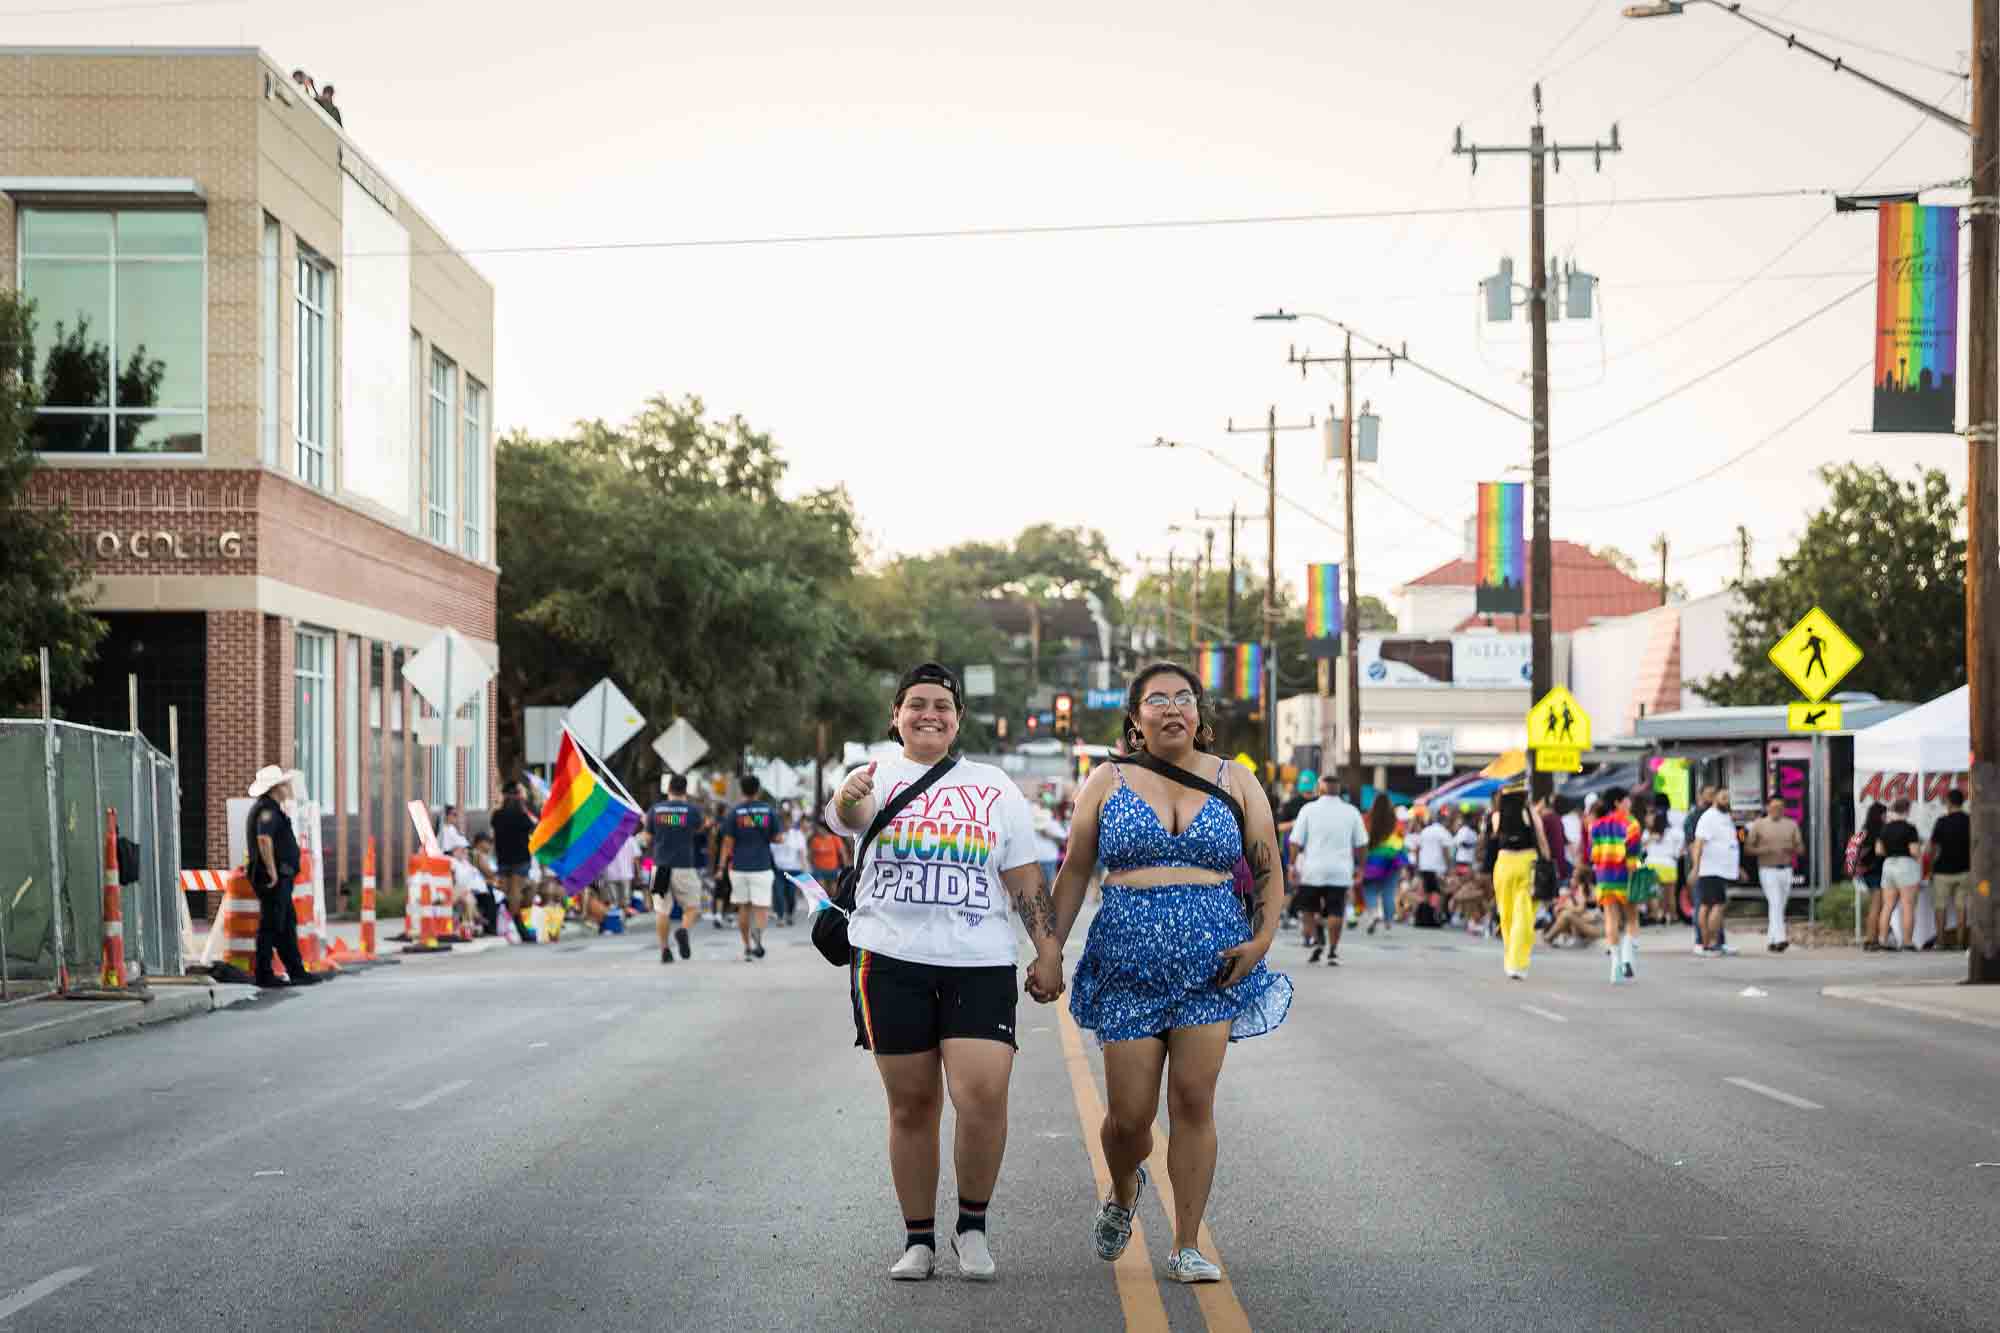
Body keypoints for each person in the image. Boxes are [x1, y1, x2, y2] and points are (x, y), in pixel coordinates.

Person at [1052, 662, 1291, 1287]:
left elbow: (1267, 871)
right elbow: (1076, 869)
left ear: (1199, 713)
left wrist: (1260, 940)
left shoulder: (1236, 779)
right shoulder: (1106, 780)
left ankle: (1186, 1243)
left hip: (1213, 966)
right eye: (1157, 699)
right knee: (1129, 1118)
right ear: (1135, 719)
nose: (1172, 708)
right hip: (1126, 965)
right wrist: (1050, 948)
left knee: (1193, 1101)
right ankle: (1123, 1190)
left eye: (1183, 697)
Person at [827, 662, 1062, 1283]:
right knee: (912, 1105)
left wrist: (1048, 948)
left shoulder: (993, 785)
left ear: (958, 719)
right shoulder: (870, 777)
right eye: (917, 705)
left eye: (943, 706)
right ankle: (919, 1240)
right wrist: (848, 798)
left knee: (982, 1097)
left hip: (979, 961)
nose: (930, 714)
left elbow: (1023, 876)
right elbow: (849, 818)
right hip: (888, 960)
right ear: (896, 715)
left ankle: (973, 1228)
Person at [243, 765, 318, 989]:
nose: (288, 788)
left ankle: (296, 971)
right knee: (271, 925)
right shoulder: (267, 811)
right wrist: (273, 871)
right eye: (285, 784)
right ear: (276, 788)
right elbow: (264, 839)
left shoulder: (272, 809)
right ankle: (264, 974)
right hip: (273, 879)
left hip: (280, 878)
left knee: (285, 925)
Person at [1287, 779, 1366, 966]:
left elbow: (1295, 841)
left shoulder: (1308, 810)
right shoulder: (1351, 811)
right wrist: (1361, 867)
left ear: (1320, 789)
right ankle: (1332, 950)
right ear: (1338, 790)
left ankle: (1318, 938)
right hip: (1340, 871)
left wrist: (1292, 866)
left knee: (1307, 909)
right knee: (1336, 910)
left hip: (1312, 871)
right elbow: (1362, 844)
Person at [1490, 782, 1553, 979]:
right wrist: (1548, 859)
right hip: (1527, 863)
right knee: (1524, 914)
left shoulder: (1496, 816)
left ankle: (1510, 959)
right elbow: (1541, 838)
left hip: (1503, 864)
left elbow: (1495, 836)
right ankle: (1518, 962)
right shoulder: (1530, 813)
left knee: (1506, 914)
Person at [1589, 788, 1646, 983]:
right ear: (1617, 802)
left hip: (1604, 877)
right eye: (1627, 800)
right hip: (1625, 876)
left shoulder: (1597, 826)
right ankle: (1628, 957)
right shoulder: (1631, 824)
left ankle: (1615, 964)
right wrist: (1636, 875)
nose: (1629, 803)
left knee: (1611, 919)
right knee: (1632, 918)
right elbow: (1633, 856)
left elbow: (1594, 856)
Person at [647, 778, 706, 963]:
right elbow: (700, 829)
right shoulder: (692, 811)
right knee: (692, 907)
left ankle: (664, 950)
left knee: (662, 911)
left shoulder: (655, 811)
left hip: (660, 866)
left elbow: (647, 838)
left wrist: (649, 824)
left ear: (668, 788)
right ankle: (683, 930)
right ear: (685, 790)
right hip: (684, 865)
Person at [720, 776, 778, 962]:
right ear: (758, 790)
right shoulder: (768, 811)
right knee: (761, 907)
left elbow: (728, 842)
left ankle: (746, 947)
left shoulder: (734, 813)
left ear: (742, 790)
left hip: (739, 866)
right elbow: (777, 838)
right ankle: (758, 935)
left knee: (743, 907)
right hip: (762, 864)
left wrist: (721, 866)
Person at [1743, 797, 1803, 953]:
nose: (1777, 810)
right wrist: (1762, 851)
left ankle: (1771, 939)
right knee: (1775, 902)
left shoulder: (1791, 825)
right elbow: (1748, 848)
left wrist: (1793, 848)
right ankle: (1781, 938)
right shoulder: (1759, 825)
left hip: (1786, 869)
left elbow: (1800, 847)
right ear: (1767, 808)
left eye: (1781, 807)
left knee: (1779, 905)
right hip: (1767, 869)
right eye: (1774, 807)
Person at [1690, 788, 1740, 958]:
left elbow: (1728, 842)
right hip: (1711, 869)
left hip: (1723, 869)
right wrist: (1696, 867)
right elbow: (1698, 843)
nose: (1726, 800)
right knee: (1713, 906)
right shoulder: (1709, 817)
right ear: (1715, 798)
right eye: (1723, 797)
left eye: (1728, 797)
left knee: (1712, 906)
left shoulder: (1725, 817)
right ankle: (1708, 944)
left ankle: (1713, 943)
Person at [1876, 798, 1924, 952]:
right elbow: (1914, 851)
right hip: (1906, 865)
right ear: (1907, 810)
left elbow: (1879, 850)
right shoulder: (1910, 829)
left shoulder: (1885, 828)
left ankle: (1882, 939)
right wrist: (1920, 856)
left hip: (1888, 865)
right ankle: (1907, 941)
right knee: (1907, 905)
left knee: (1888, 905)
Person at [1929, 788, 1973, 950]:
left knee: (1941, 907)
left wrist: (1930, 868)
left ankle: (1940, 941)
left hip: (1942, 871)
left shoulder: (1941, 822)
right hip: (1965, 870)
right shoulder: (1970, 821)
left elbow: (1933, 847)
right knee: (1962, 907)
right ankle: (1961, 942)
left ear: (1948, 802)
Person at [1358, 795, 1404, 936]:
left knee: (1369, 889)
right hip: (1393, 858)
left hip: (1373, 859)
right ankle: (1388, 922)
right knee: (1389, 891)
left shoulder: (1367, 819)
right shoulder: (1396, 821)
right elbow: (1401, 839)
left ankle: (1373, 914)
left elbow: (1361, 839)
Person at [491, 781, 537, 922]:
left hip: (503, 857)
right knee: (515, 891)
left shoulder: (497, 815)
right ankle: (513, 922)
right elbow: (533, 828)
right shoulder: (522, 815)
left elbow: (494, 827)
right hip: (520, 858)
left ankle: (506, 920)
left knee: (505, 891)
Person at [1639, 810, 1684, 931]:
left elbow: (1641, 848)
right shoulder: (1674, 832)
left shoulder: (1648, 833)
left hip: (1652, 864)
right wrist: (1675, 854)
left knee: (1654, 894)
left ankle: (1656, 915)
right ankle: (1672, 916)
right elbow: (1680, 847)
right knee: (1670, 895)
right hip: (1669, 864)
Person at [1856, 801, 1891, 951]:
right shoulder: (1879, 831)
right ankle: (1871, 939)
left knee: (1875, 905)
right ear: (1881, 815)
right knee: (1877, 905)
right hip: (1876, 871)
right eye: (1885, 814)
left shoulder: (1864, 831)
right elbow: (1879, 853)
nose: (1886, 817)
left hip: (1867, 872)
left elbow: (1857, 851)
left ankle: (1872, 937)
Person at [770, 808, 809, 927]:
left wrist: (805, 869)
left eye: (788, 822)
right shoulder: (774, 836)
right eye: (783, 822)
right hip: (778, 869)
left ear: (791, 822)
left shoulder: (797, 835)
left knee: (791, 894)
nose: (786, 824)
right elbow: (770, 851)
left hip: (794, 870)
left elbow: (802, 853)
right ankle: (780, 916)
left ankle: (790, 914)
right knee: (779, 893)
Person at [1414, 806, 1452, 920]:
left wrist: (1417, 864)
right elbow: (1446, 852)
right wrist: (1449, 866)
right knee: (1438, 892)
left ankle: (1423, 916)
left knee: (1426, 892)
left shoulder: (1425, 831)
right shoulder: (1444, 833)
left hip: (1424, 866)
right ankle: (1436, 915)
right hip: (1438, 867)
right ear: (1445, 820)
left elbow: (1417, 849)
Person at [808, 817, 848, 893]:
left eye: (820, 828)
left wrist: (845, 867)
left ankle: (832, 904)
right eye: (818, 828)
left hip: (833, 869)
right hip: (819, 870)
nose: (818, 830)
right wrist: (812, 866)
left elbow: (843, 853)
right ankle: (825, 904)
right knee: (822, 891)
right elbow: (811, 855)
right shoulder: (814, 840)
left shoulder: (835, 839)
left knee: (833, 891)